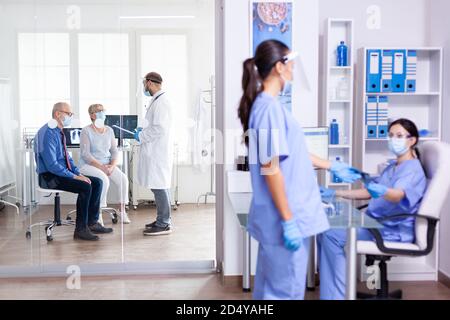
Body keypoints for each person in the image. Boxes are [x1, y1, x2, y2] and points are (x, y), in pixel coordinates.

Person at [238, 40, 360, 300]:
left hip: (284, 216)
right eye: (290, 62)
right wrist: (289, 220)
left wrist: (331, 165)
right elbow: (271, 169)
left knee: (272, 291)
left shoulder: (269, 107)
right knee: (283, 293)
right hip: (285, 218)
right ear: (279, 67)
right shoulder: (268, 109)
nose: (294, 68)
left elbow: (292, 153)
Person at [318, 118, 427, 300]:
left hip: (388, 230)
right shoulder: (393, 166)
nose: (394, 139)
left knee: (330, 233)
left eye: (399, 136)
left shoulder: (412, 170)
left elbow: (398, 195)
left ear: (412, 140)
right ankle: (334, 292)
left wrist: (383, 190)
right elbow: (369, 192)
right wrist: (336, 194)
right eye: (391, 135)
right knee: (323, 227)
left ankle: (337, 296)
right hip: (374, 223)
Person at [34, 102, 113, 241]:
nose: (71, 116)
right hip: (49, 177)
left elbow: (67, 159)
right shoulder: (47, 133)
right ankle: (80, 230)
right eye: (69, 114)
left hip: (59, 172)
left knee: (97, 182)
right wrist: (74, 177)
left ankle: (92, 223)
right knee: (85, 186)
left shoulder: (59, 131)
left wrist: (79, 174)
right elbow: (52, 165)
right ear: (58, 114)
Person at [135, 72, 174, 236]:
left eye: (144, 84)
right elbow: (154, 125)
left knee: (160, 187)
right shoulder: (157, 100)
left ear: (149, 83)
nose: (144, 88)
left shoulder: (162, 102)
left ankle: (164, 223)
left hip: (158, 152)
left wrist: (141, 135)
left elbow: (160, 128)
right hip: (155, 151)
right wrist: (142, 130)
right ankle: (161, 219)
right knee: (158, 186)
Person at [79, 104, 131, 226]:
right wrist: (102, 167)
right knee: (103, 180)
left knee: (123, 179)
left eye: (103, 110)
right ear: (92, 115)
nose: (102, 112)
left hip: (107, 164)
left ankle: (122, 210)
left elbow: (114, 151)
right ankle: (98, 214)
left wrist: (112, 166)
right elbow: (86, 155)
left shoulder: (109, 130)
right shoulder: (86, 131)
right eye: (99, 111)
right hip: (89, 165)